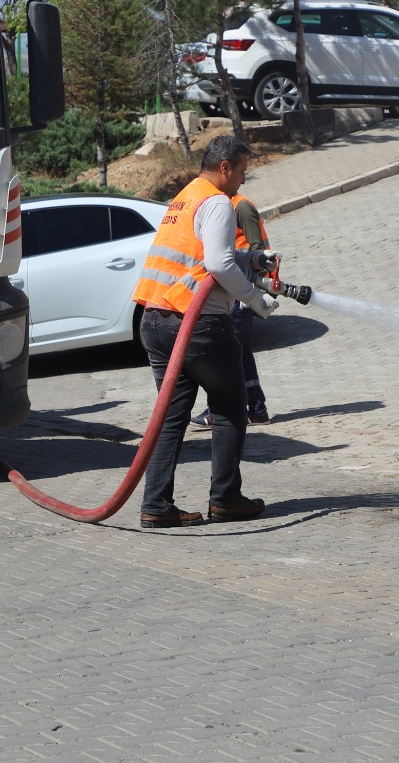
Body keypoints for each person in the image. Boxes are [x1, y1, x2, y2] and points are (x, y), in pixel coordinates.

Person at [132, 134, 280, 529]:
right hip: (197, 324)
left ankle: (156, 505)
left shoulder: (185, 197)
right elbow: (217, 263)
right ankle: (226, 499)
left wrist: (251, 257)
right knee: (230, 407)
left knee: (171, 416)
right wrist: (256, 300)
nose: (244, 181)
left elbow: (203, 255)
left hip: (156, 320)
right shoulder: (217, 201)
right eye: (243, 171)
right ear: (225, 167)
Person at [192, 193, 273, 429]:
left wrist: (253, 291)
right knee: (240, 352)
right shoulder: (223, 206)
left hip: (241, 289)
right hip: (234, 287)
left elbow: (258, 249)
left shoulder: (241, 207)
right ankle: (257, 408)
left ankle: (219, 409)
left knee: (224, 353)